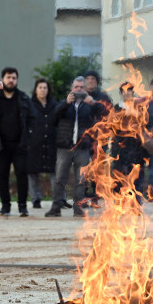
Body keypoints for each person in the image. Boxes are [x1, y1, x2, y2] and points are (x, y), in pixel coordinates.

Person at [45, 77, 106, 217]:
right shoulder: (64, 104)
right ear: (72, 89)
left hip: (82, 148)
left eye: (81, 87)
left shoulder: (89, 105)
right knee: (60, 178)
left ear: (85, 89)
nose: (79, 90)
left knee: (81, 180)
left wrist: (93, 103)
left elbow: (104, 114)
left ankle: (78, 208)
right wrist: (66, 103)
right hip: (64, 147)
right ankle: (56, 207)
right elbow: (53, 117)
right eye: (76, 87)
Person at [0, 67, 32, 216]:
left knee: (22, 175)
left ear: (17, 80)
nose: (11, 80)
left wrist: (27, 139)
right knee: (2, 176)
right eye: (8, 77)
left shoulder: (23, 98)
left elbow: (32, 119)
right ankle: (5, 206)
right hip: (1, 146)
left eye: (14, 78)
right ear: (3, 79)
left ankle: (22, 206)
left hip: (20, 146)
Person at [26, 78, 57, 209]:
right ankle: (36, 198)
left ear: (48, 90)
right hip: (34, 143)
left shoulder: (54, 105)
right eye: (40, 87)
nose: (42, 90)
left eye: (45, 88)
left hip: (52, 143)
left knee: (55, 171)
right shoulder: (29, 104)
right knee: (33, 172)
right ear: (35, 90)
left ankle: (58, 198)